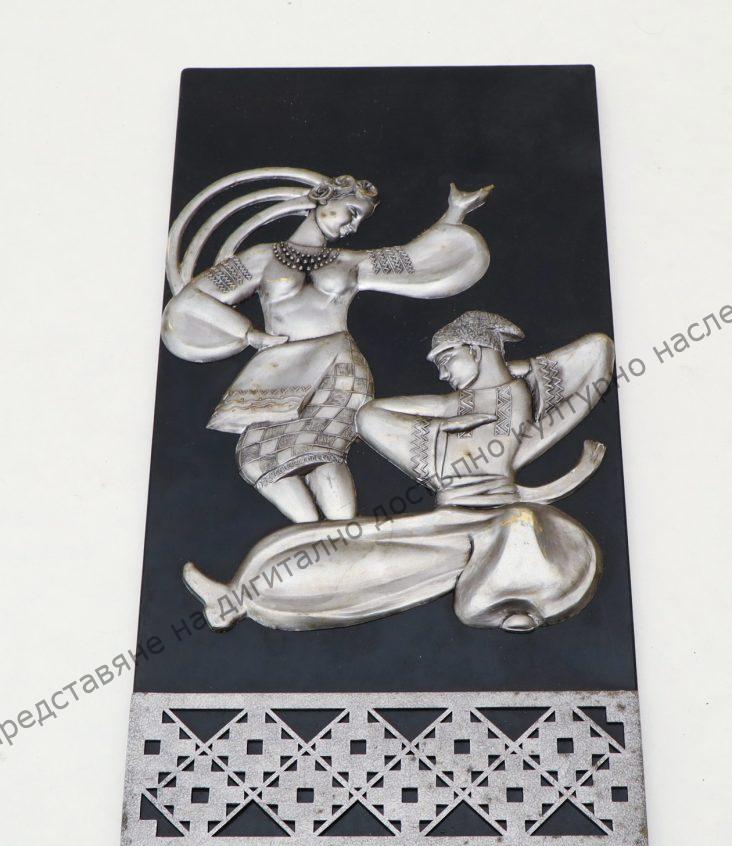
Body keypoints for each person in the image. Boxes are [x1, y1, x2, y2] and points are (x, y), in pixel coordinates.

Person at [182, 311, 615, 634]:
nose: (442, 373)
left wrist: (507, 370)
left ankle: (504, 601)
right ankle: (237, 596)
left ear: (476, 350)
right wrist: (447, 417)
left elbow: (596, 350)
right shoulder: (454, 410)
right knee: (327, 546)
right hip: (451, 517)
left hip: (491, 519)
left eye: (448, 358)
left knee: (518, 525)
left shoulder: (519, 397)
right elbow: (371, 415)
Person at [161, 168, 492, 523]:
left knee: (322, 449)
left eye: (360, 220)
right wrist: (249, 334)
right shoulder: (260, 257)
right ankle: (316, 532)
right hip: (281, 369)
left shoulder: (349, 262)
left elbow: (413, 259)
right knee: (256, 457)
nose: (353, 226)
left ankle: (339, 530)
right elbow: (192, 300)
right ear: (323, 199)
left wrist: (455, 212)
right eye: (351, 212)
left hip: (339, 364)